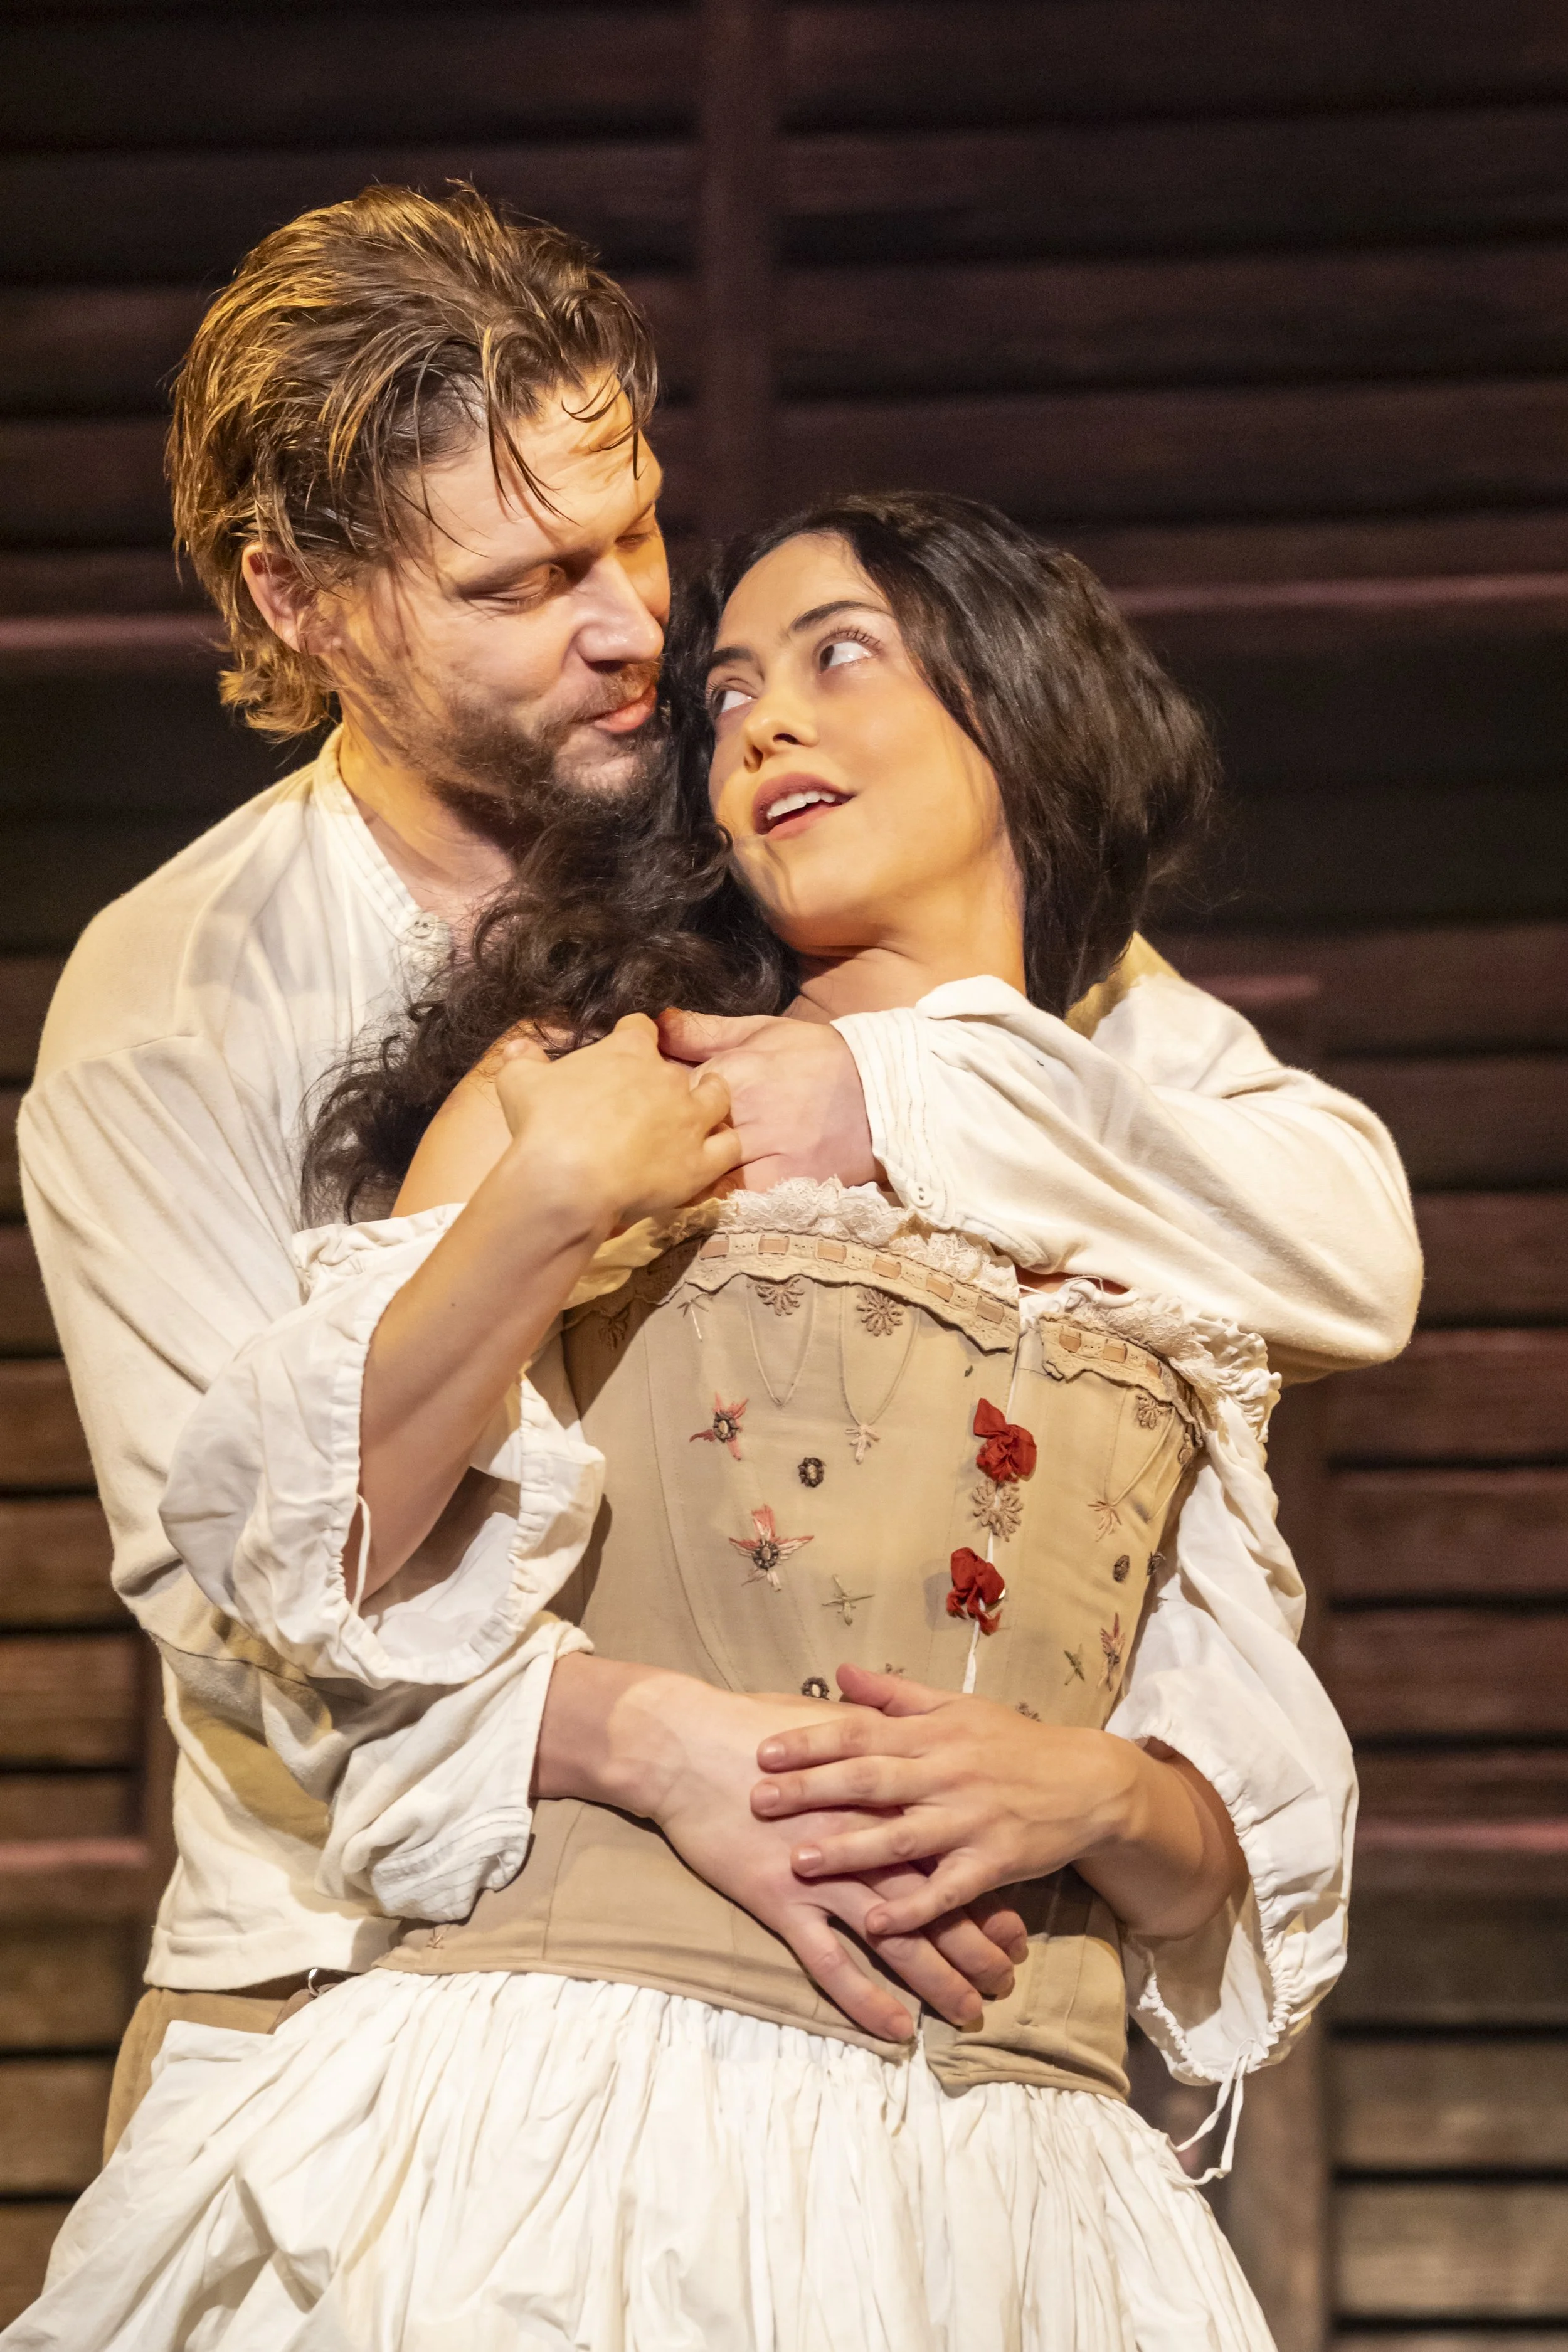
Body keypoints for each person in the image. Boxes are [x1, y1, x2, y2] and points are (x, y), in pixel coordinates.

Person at [21, 181, 1417, 2156]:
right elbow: (235, 1601)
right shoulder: (181, 996)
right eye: (521, 584)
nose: (633, 630)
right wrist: (696, 1755)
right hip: (348, 1997)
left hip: (894, 2034)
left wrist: (886, 1094)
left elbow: (1339, 1237)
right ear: (299, 600)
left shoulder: (795, 818)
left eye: (635, 529)